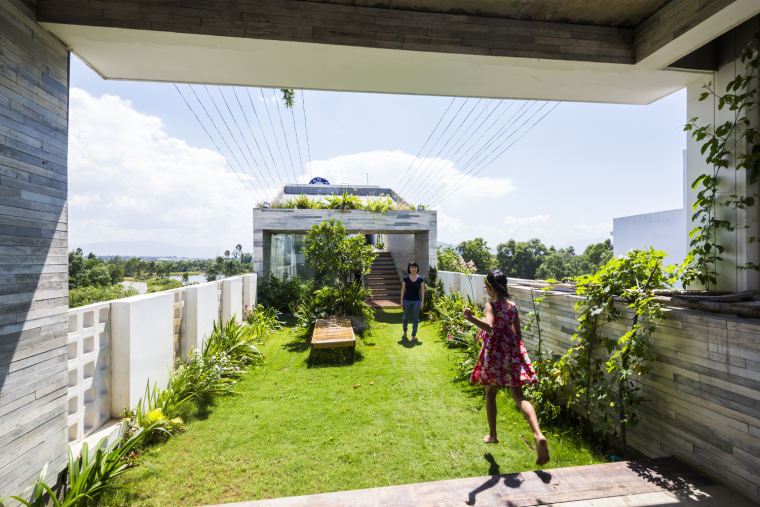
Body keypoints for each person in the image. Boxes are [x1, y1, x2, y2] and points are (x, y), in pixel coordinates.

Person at [463, 269, 550, 466]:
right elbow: (517, 334)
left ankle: (493, 435)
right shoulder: (513, 307)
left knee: (491, 393)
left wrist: (471, 318)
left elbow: (490, 327)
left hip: (494, 354)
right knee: (519, 397)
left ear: (490, 287)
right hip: (511, 352)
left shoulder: (491, 305)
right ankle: (537, 434)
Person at [400, 261, 425, 340]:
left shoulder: (420, 279)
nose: (414, 269)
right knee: (405, 318)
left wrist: (422, 302)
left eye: (415, 267)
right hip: (407, 300)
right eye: (412, 267)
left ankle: (413, 335)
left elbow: (422, 291)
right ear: (409, 269)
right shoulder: (405, 278)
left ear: (417, 268)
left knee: (415, 318)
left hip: (417, 301)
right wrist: (401, 301)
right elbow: (403, 290)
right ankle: (405, 332)